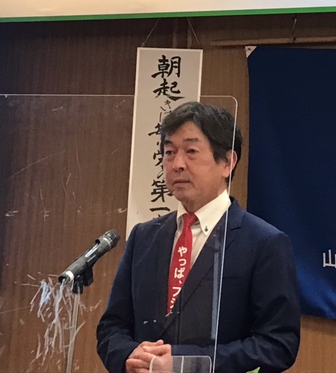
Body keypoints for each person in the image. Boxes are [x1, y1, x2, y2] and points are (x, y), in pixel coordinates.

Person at [97, 102, 300, 373]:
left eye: (191, 152)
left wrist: (184, 363)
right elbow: (112, 326)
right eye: (169, 153)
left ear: (227, 163)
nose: (177, 164)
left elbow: (278, 345)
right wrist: (129, 355)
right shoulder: (144, 236)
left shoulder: (264, 243)